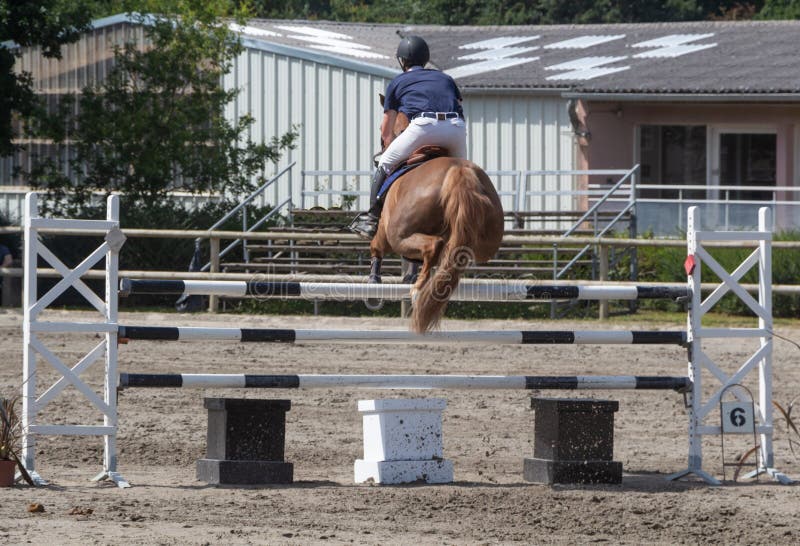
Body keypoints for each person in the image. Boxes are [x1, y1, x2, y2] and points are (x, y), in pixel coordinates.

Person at [350, 35, 467, 239]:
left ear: (402, 61)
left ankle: (371, 218)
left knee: (385, 162)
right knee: (464, 175)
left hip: (424, 126)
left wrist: (388, 144)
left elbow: (387, 129)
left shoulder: (398, 81)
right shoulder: (445, 78)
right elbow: (458, 103)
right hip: (455, 127)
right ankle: (471, 219)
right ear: (425, 59)